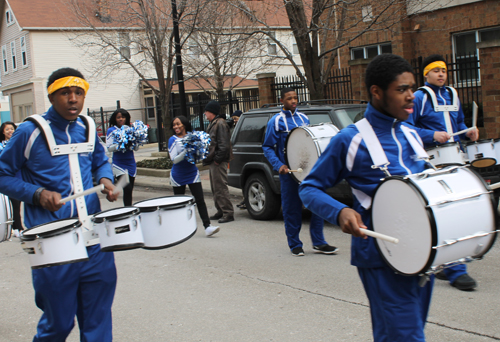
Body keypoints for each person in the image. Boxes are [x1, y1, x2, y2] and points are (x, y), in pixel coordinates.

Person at [299, 54, 434, 341]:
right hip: (380, 257)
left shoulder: (411, 133)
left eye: (413, 88)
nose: (411, 96)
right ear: (376, 92)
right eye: (401, 90)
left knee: (403, 332)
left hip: (421, 254)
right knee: (407, 337)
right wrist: (339, 212)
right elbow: (308, 188)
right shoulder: (349, 139)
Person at [0, 67, 119, 341]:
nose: (73, 99)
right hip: (52, 246)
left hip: (94, 243)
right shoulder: (30, 131)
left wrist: (104, 178)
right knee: (58, 325)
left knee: (98, 323)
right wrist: (36, 193)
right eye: (65, 93)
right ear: (51, 96)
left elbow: (99, 159)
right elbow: (2, 173)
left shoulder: (89, 128)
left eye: (79, 92)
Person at [407, 54, 478, 291]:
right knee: (446, 211)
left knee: (458, 209)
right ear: (426, 74)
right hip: (431, 161)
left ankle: (449, 264)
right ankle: (457, 269)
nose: (441, 74)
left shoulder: (452, 94)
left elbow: (458, 124)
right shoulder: (419, 97)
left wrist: (468, 132)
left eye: (444, 70)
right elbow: (406, 127)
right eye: (436, 70)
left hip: (454, 157)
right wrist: (431, 135)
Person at [262, 87, 338, 257]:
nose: (293, 101)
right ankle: (295, 244)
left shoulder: (304, 118)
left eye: (295, 98)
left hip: (307, 171)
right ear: (282, 101)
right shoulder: (275, 121)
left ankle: (319, 242)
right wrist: (278, 165)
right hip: (289, 172)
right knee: (292, 208)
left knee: (317, 204)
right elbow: (267, 147)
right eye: (289, 98)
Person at [168, 115, 220, 236]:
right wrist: (187, 150)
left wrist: (198, 151)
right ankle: (179, 229)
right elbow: (174, 160)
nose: (176, 126)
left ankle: (207, 227)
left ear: (184, 124)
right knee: (179, 203)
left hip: (192, 173)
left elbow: (197, 156)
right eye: (174, 124)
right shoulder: (173, 139)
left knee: (200, 200)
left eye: (178, 124)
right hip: (178, 175)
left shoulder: (193, 137)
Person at [203, 100, 235, 223]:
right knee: (215, 187)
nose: (205, 113)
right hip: (214, 160)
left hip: (218, 161)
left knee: (220, 187)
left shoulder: (220, 123)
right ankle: (221, 210)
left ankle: (228, 212)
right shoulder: (214, 123)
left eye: (206, 111)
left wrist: (217, 160)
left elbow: (224, 144)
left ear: (211, 111)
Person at [106, 108, 138, 206]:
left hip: (131, 163)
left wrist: (133, 142)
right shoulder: (112, 130)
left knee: (130, 190)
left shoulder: (131, 129)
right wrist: (120, 144)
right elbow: (109, 148)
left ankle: (129, 208)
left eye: (123, 117)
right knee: (126, 187)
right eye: (118, 117)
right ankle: (128, 209)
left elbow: (136, 148)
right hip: (118, 164)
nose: (121, 119)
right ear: (115, 119)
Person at [0, 121, 23, 233]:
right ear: (3, 132)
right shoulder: (1, 145)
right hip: (4, 178)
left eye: (12, 129)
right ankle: (16, 227)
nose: (10, 131)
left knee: (16, 203)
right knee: (8, 205)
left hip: (16, 177)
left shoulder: (17, 143)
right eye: (7, 129)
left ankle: (17, 227)